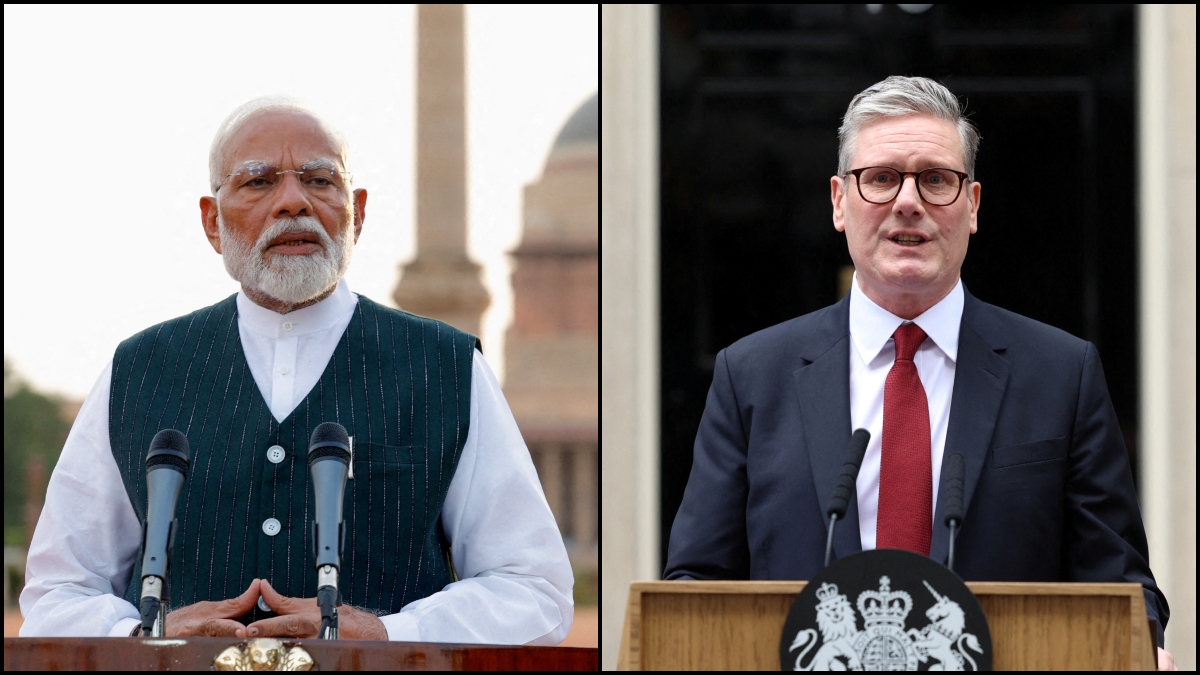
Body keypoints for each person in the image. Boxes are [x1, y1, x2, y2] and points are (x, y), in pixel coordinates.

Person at [663, 76, 1175, 670]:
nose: (909, 201)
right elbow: (697, 587)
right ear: (838, 201)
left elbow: (1120, 587)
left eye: (936, 179)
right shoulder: (750, 376)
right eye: (881, 178)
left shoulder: (1062, 374)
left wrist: (1142, 648)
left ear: (973, 205)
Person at [20, 97, 573, 645]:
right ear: (212, 222)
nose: (293, 202)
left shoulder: (446, 369)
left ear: (357, 213)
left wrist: (389, 633)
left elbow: (533, 589)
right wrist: (145, 632)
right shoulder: (139, 371)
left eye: (319, 179)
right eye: (259, 182)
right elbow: (57, 593)